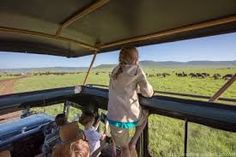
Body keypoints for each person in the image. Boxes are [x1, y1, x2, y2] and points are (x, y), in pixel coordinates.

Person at [107, 46, 154, 157]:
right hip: (130, 115)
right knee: (144, 116)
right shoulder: (137, 70)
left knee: (123, 148)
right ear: (135, 59)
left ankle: (129, 146)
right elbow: (147, 92)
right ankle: (133, 142)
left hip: (113, 117)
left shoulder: (115, 70)